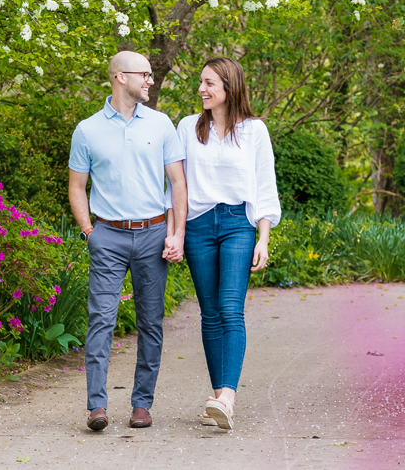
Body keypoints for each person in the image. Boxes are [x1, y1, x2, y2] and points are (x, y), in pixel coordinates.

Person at [68, 51, 188, 431]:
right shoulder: (87, 130)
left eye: (151, 75)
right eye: (145, 74)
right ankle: (96, 407)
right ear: (121, 77)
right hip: (109, 236)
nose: (150, 80)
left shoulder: (161, 124)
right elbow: (76, 186)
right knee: (101, 320)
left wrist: (176, 233)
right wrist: (89, 231)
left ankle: (142, 405)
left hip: (153, 235)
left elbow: (178, 184)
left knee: (151, 323)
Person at [177, 57, 281, 430]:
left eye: (209, 83)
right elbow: (177, 186)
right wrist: (176, 231)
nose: (202, 89)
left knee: (230, 308)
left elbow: (265, 186)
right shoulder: (188, 127)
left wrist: (264, 237)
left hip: (239, 223)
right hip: (198, 226)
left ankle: (226, 397)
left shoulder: (254, 130)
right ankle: (219, 397)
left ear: (229, 87)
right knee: (209, 313)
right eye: (201, 83)